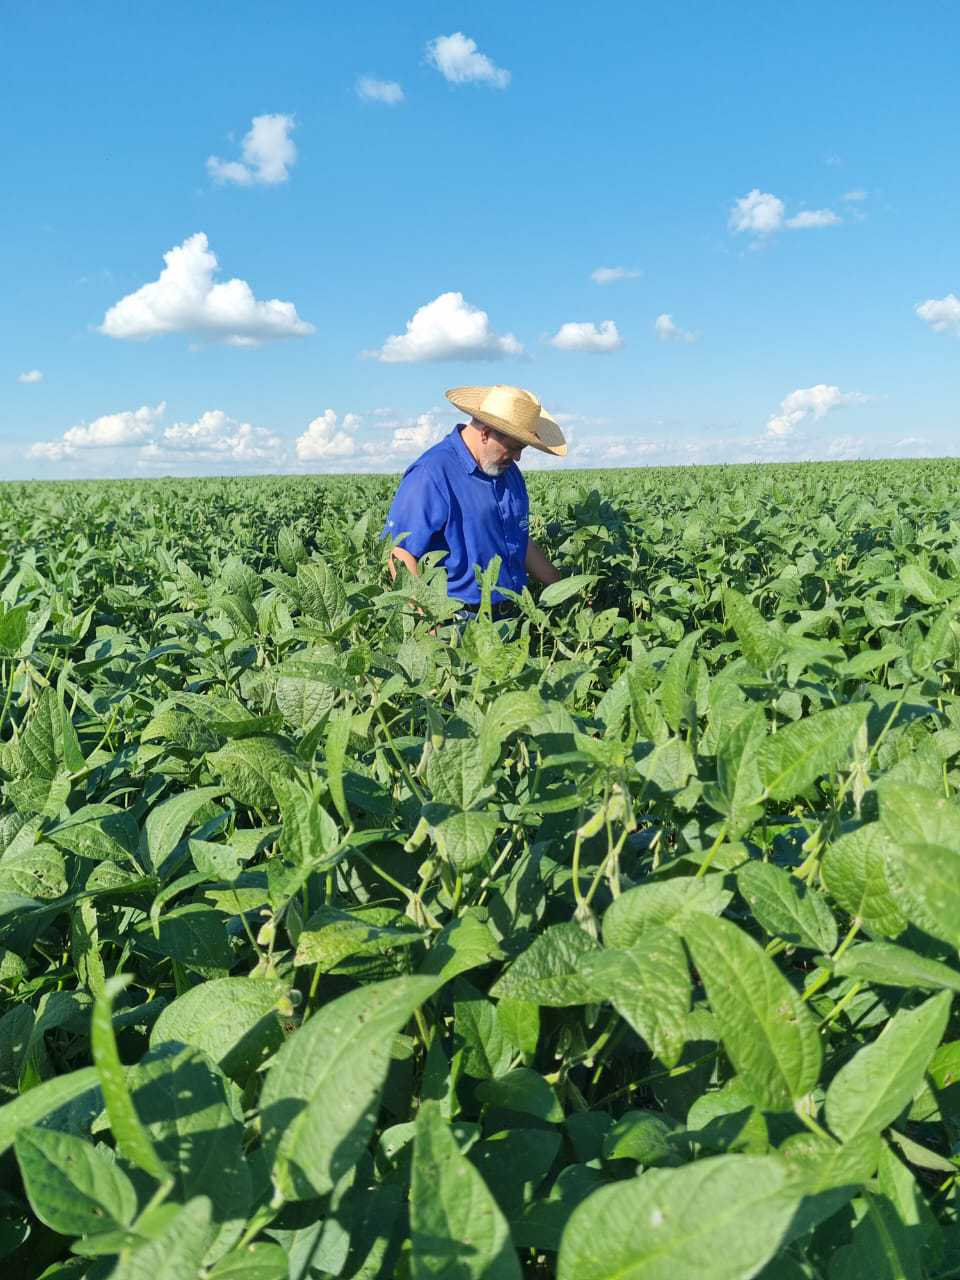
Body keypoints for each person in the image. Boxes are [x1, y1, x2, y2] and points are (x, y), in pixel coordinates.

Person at [383, 384, 565, 619]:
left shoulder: (508, 471)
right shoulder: (432, 472)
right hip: (457, 622)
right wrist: (428, 623)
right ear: (486, 432)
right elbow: (400, 555)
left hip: (513, 616)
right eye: (514, 447)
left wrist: (566, 590)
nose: (518, 457)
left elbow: (517, 539)